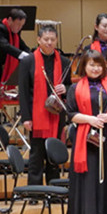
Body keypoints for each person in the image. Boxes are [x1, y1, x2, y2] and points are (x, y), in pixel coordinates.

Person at [66, 50, 107, 214]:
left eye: (99, 65)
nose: (95, 68)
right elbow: (70, 114)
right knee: (88, 181)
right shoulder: (75, 88)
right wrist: (90, 119)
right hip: (86, 140)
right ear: (84, 65)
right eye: (92, 64)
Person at [18, 24, 72, 186]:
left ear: (56, 41)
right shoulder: (28, 61)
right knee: (36, 154)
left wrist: (66, 88)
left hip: (56, 114)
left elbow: (71, 87)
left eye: (52, 39)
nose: (49, 42)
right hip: (36, 115)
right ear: (38, 40)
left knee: (53, 153)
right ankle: (35, 189)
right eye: (46, 39)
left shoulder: (64, 61)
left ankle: (54, 187)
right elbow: (23, 91)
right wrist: (26, 118)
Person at [0, 7, 30, 90]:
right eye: (18, 24)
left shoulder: (14, 31)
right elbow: (5, 46)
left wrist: (32, 55)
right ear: (10, 20)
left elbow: (21, 45)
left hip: (3, 65)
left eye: (22, 25)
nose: (19, 28)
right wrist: (22, 55)